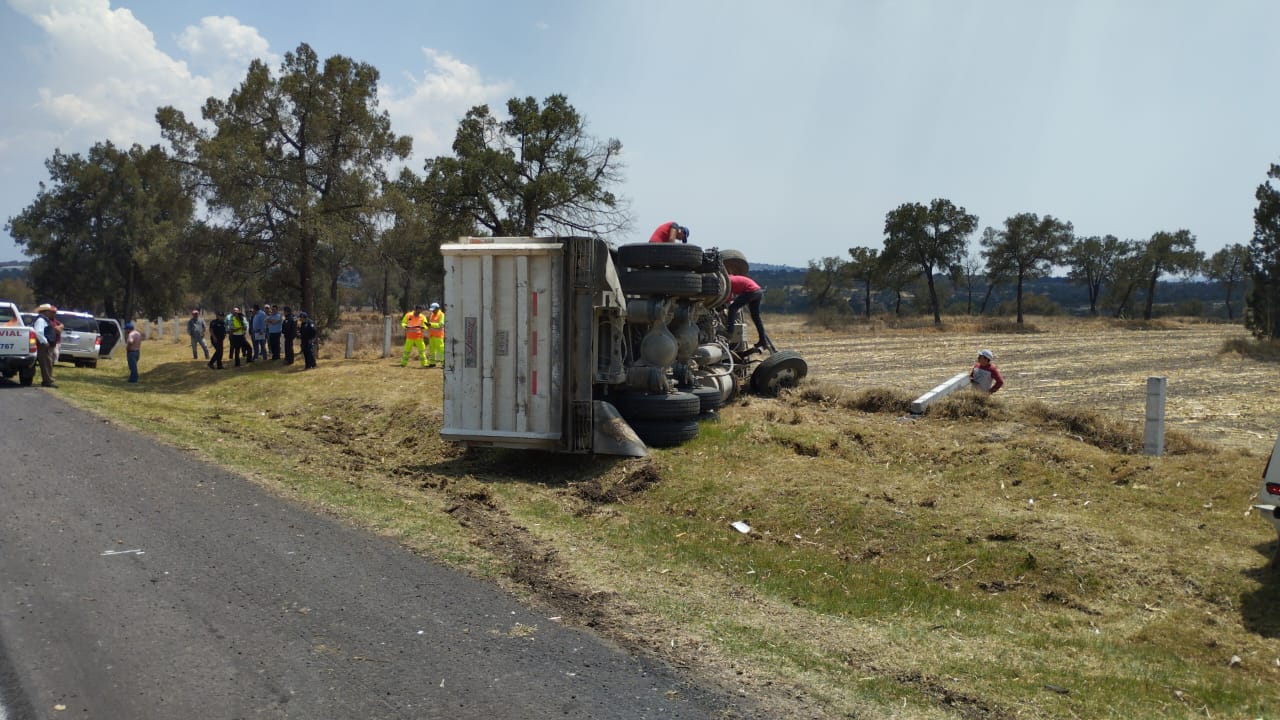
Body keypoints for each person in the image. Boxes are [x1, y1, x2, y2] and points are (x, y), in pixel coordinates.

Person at [726, 274, 773, 352]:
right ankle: (763, 341)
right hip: (758, 291)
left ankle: (730, 332)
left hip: (750, 291)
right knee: (756, 318)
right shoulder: (732, 277)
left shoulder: (727, 282)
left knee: (732, 308)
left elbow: (728, 298)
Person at [31, 303, 56, 387]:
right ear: (45, 312)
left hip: (44, 345)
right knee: (46, 363)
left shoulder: (44, 319)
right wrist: (45, 341)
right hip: (43, 345)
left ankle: (48, 380)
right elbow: (38, 332)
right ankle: (47, 381)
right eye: (49, 311)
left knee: (48, 362)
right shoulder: (41, 320)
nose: (51, 313)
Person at [426, 302, 446, 368]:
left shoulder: (441, 315)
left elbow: (441, 325)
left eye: (434, 309)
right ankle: (432, 363)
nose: (433, 311)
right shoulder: (432, 314)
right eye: (432, 310)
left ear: (437, 308)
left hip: (439, 336)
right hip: (432, 335)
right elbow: (431, 324)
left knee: (440, 350)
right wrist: (427, 325)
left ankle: (443, 363)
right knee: (432, 350)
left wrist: (431, 324)